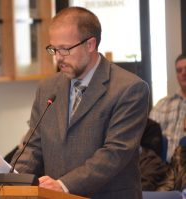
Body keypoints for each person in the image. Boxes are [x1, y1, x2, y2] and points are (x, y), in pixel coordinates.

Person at [11, 7, 149, 199]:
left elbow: (115, 153)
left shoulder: (129, 88)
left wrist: (64, 185)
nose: (58, 57)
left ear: (90, 44)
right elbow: (33, 147)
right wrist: (10, 180)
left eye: (65, 49)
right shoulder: (47, 88)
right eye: (54, 49)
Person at [150, 53, 186, 162]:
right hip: (160, 169)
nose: (183, 73)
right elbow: (148, 136)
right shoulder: (162, 104)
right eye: (179, 70)